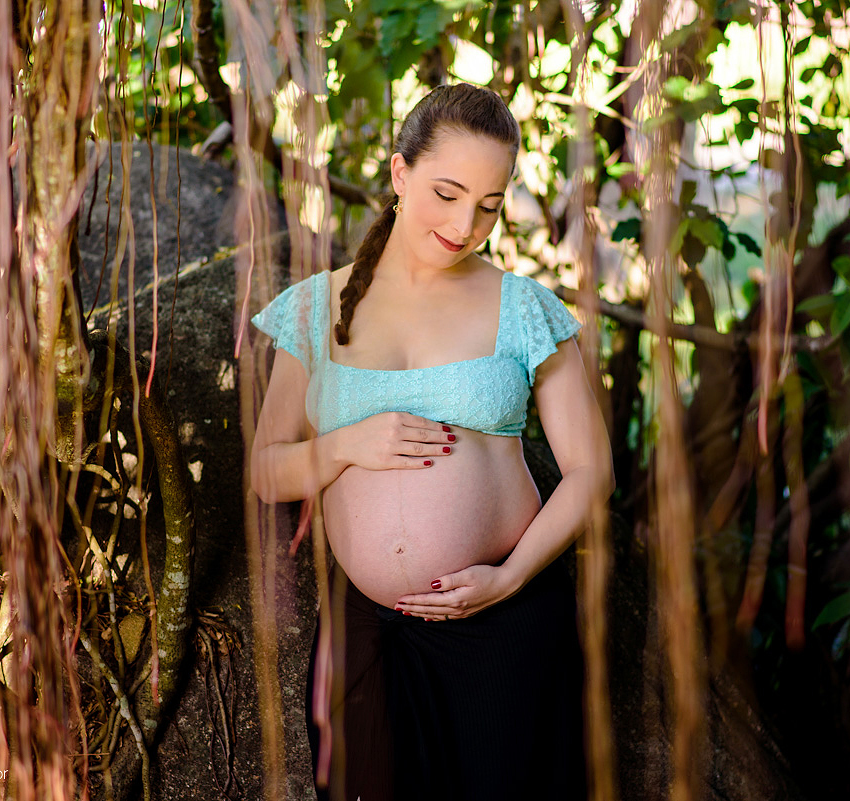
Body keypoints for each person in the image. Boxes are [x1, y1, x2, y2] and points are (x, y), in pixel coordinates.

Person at [249, 83, 613, 801]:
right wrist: (343, 445)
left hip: (502, 620)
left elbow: (591, 471)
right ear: (400, 172)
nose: (464, 224)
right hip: (366, 632)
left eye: (488, 205)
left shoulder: (523, 307)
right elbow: (266, 470)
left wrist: (510, 578)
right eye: (447, 194)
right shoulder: (317, 307)